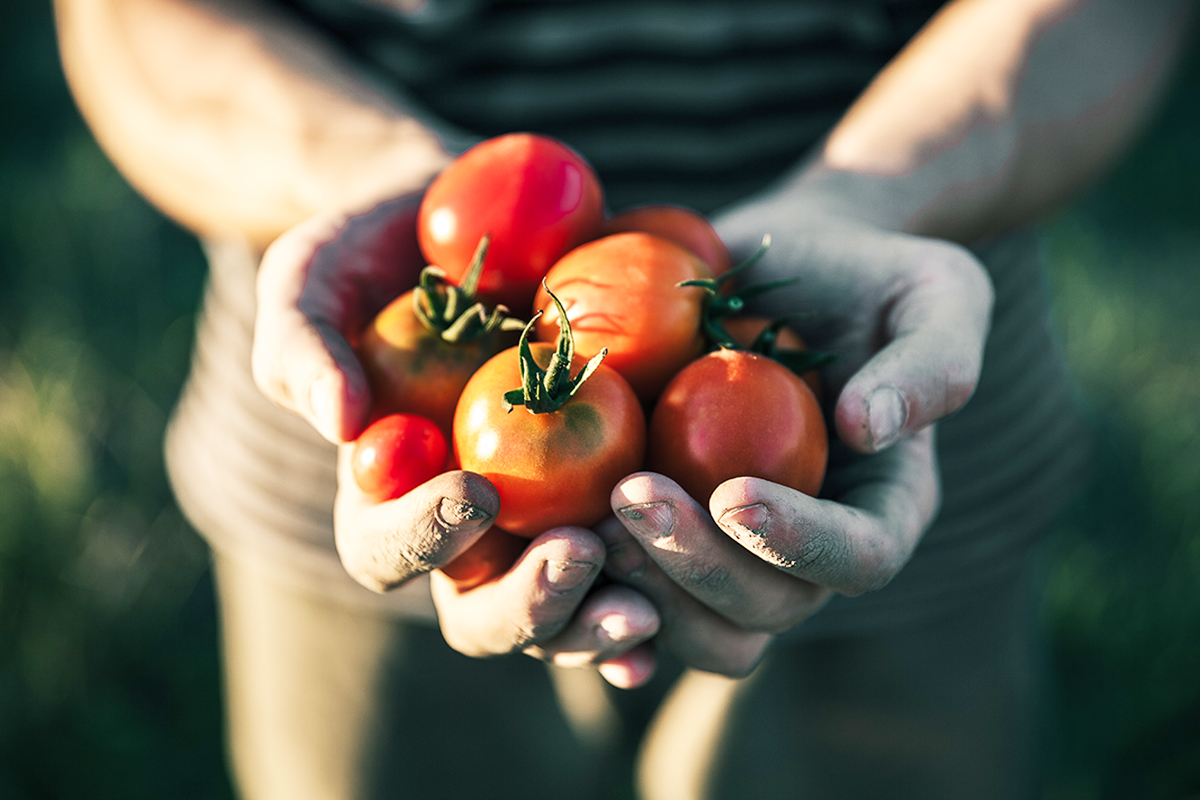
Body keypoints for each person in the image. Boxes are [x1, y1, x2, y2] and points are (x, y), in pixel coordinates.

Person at [55, 0, 1195, 797]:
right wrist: (360, 176)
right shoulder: (484, 373)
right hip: (363, 441)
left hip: (889, 395)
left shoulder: (734, 368)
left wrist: (877, 199)